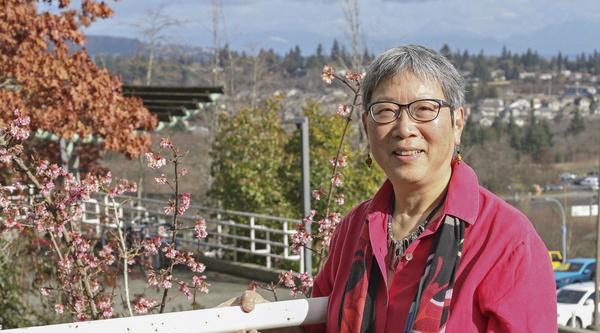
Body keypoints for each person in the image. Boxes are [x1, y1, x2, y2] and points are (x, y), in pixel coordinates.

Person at [232, 45, 557, 332]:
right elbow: (320, 327)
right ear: (365, 126)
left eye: (425, 109)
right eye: (386, 111)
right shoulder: (354, 229)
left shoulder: (507, 242)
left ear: (458, 122)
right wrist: (262, 320)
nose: (404, 128)